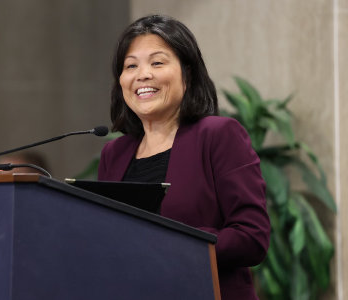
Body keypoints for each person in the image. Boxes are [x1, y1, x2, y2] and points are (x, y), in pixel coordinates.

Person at [98, 15, 270, 300]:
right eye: (131, 65)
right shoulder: (114, 154)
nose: (142, 75)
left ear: (187, 75)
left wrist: (173, 244)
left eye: (157, 62)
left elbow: (252, 237)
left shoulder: (218, 135)